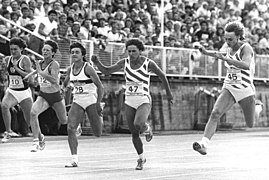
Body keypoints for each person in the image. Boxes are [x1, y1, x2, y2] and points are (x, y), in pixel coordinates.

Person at [91, 38, 173, 170]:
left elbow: (162, 76)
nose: (131, 54)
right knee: (134, 133)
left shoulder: (148, 63)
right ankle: (141, 158)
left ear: (140, 51)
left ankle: (147, 128)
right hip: (129, 100)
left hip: (143, 99)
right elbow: (107, 71)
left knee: (138, 124)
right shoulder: (124, 62)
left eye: (134, 51)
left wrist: (168, 94)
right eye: (129, 51)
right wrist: (97, 62)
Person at [193, 21, 256, 155]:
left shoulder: (246, 48)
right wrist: (205, 52)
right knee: (215, 113)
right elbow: (218, 54)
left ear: (238, 36)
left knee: (250, 123)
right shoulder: (227, 47)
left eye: (230, 39)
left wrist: (228, 60)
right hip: (230, 87)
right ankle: (204, 143)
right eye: (226, 39)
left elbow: (245, 65)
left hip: (245, 89)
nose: (227, 42)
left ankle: (258, 106)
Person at [63, 42, 105, 167]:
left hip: (91, 100)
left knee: (97, 133)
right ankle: (74, 159)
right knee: (70, 128)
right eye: (72, 52)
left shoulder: (88, 68)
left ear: (82, 55)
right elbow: (65, 83)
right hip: (78, 100)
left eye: (77, 52)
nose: (74, 54)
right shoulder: (70, 69)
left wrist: (98, 103)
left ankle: (100, 113)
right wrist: (64, 88)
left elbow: (100, 86)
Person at [24, 40, 67, 152]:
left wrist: (40, 72)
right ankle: (37, 140)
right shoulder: (40, 63)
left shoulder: (54, 64)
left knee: (63, 121)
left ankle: (76, 125)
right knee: (33, 113)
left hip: (56, 96)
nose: (45, 51)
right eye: (44, 49)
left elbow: (53, 80)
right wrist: (29, 75)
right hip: (44, 95)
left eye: (48, 50)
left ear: (53, 53)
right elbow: (37, 71)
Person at [1, 37, 33, 143]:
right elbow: (7, 74)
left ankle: (38, 137)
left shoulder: (25, 59)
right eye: (11, 49)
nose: (13, 52)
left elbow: (29, 77)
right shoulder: (7, 59)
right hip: (12, 91)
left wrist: (17, 68)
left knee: (30, 120)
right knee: (4, 106)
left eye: (15, 49)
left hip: (24, 92)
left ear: (21, 49)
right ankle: (9, 131)